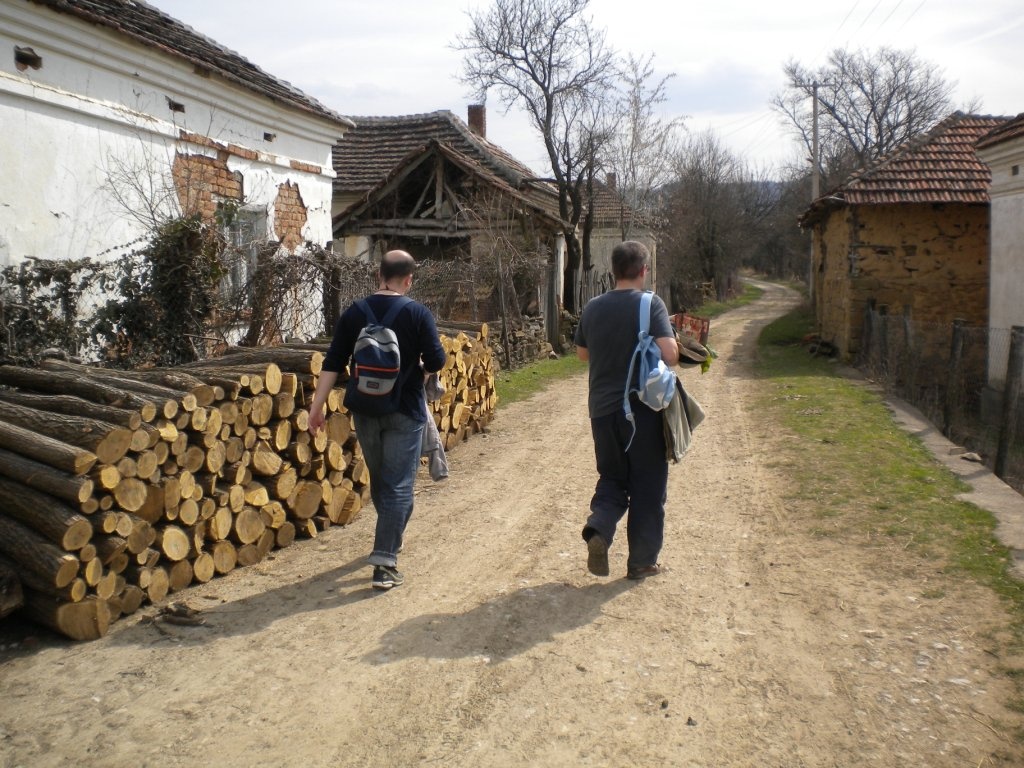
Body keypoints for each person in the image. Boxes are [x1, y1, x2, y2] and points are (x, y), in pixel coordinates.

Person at [308, 250, 446, 591]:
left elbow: (333, 361)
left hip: (365, 410)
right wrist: (420, 369)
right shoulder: (417, 313)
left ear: (378, 275)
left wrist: (316, 406)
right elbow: (436, 360)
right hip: (406, 411)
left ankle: (390, 539)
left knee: (383, 481)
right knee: (400, 485)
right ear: (409, 280)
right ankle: (385, 562)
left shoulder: (355, 312)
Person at [574, 241, 680, 580]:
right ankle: (642, 562)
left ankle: (599, 528)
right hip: (642, 412)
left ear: (613, 270)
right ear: (644, 270)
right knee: (648, 485)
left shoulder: (592, 307)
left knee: (612, 477)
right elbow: (671, 354)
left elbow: (582, 354)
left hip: (601, 411)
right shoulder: (650, 303)